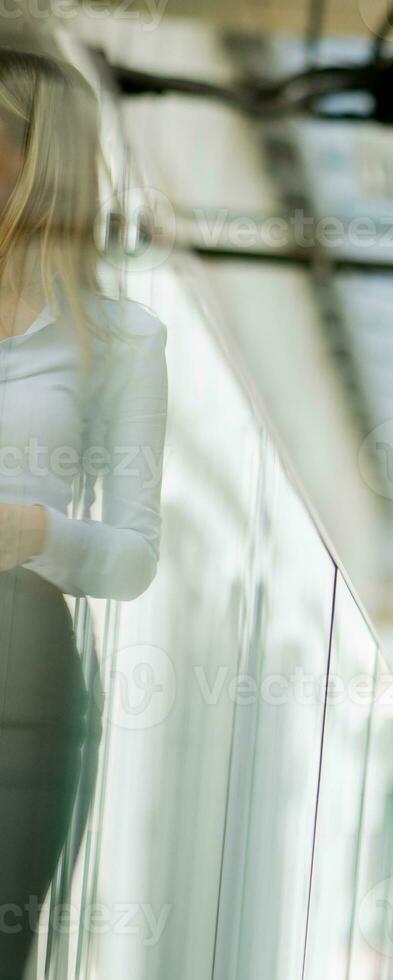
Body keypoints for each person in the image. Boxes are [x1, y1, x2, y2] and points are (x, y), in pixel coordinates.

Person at [0, 47, 168, 978]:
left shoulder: (121, 340)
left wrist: (33, 533)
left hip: (18, 657)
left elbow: (135, 558)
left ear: (40, 159)